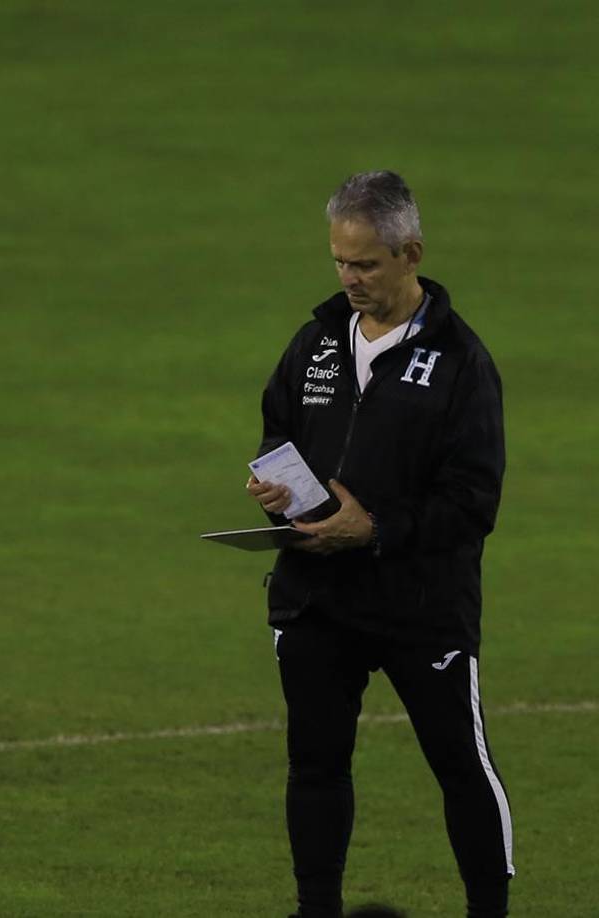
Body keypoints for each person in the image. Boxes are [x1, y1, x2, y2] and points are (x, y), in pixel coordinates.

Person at [247, 171, 512, 918]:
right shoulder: (317, 343)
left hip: (419, 606)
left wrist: (378, 529)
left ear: (410, 253)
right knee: (316, 767)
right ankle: (316, 910)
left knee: (460, 766)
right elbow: (277, 430)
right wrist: (278, 492)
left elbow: (474, 500)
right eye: (340, 261)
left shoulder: (461, 363)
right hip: (318, 597)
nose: (350, 278)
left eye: (365, 263)